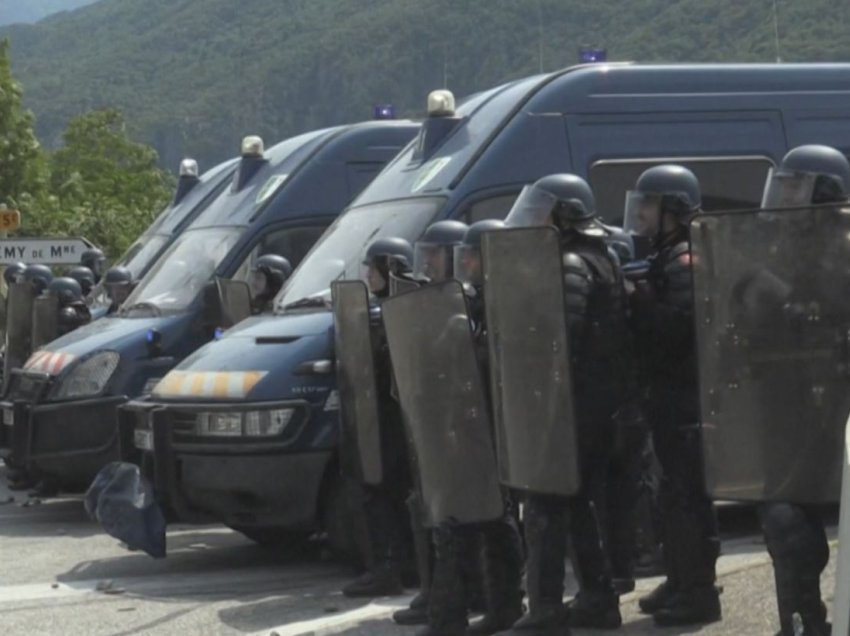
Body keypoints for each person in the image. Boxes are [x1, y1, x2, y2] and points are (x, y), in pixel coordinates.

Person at [501, 174, 629, 633]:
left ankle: (547, 608)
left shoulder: (572, 262)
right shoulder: (600, 257)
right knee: (576, 505)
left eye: (543, 209)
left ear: (564, 215)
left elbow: (558, 337)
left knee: (546, 504)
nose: (535, 218)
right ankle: (598, 599)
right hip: (591, 404)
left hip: (572, 405)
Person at [755, 144, 850, 636]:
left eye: (795, 186)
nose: (783, 198)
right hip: (792, 406)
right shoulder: (775, 248)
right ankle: (802, 622)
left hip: (843, 408)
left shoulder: (845, 246)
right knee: (785, 521)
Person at [625, 164, 721, 626]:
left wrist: (637, 298)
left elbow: (679, 328)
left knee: (686, 497)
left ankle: (699, 591)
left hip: (686, 397)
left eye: (648, 203)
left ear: (672, 210)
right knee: (671, 497)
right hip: (667, 395)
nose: (640, 212)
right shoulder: (666, 254)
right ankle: (681, 579)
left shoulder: (685, 258)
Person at [453, 220, 525, 635]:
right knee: (490, 515)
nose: (466, 262)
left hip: (507, 422)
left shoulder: (510, 302)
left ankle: (509, 603)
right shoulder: (479, 302)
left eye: (474, 254)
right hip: (482, 422)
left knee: (502, 518)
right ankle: (497, 600)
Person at [339, 237, 415, 599]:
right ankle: (396, 566)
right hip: (381, 417)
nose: (368, 274)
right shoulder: (379, 312)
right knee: (381, 491)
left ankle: (391, 568)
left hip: (397, 419)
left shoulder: (404, 310)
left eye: (374, 267)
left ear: (391, 268)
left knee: (387, 492)